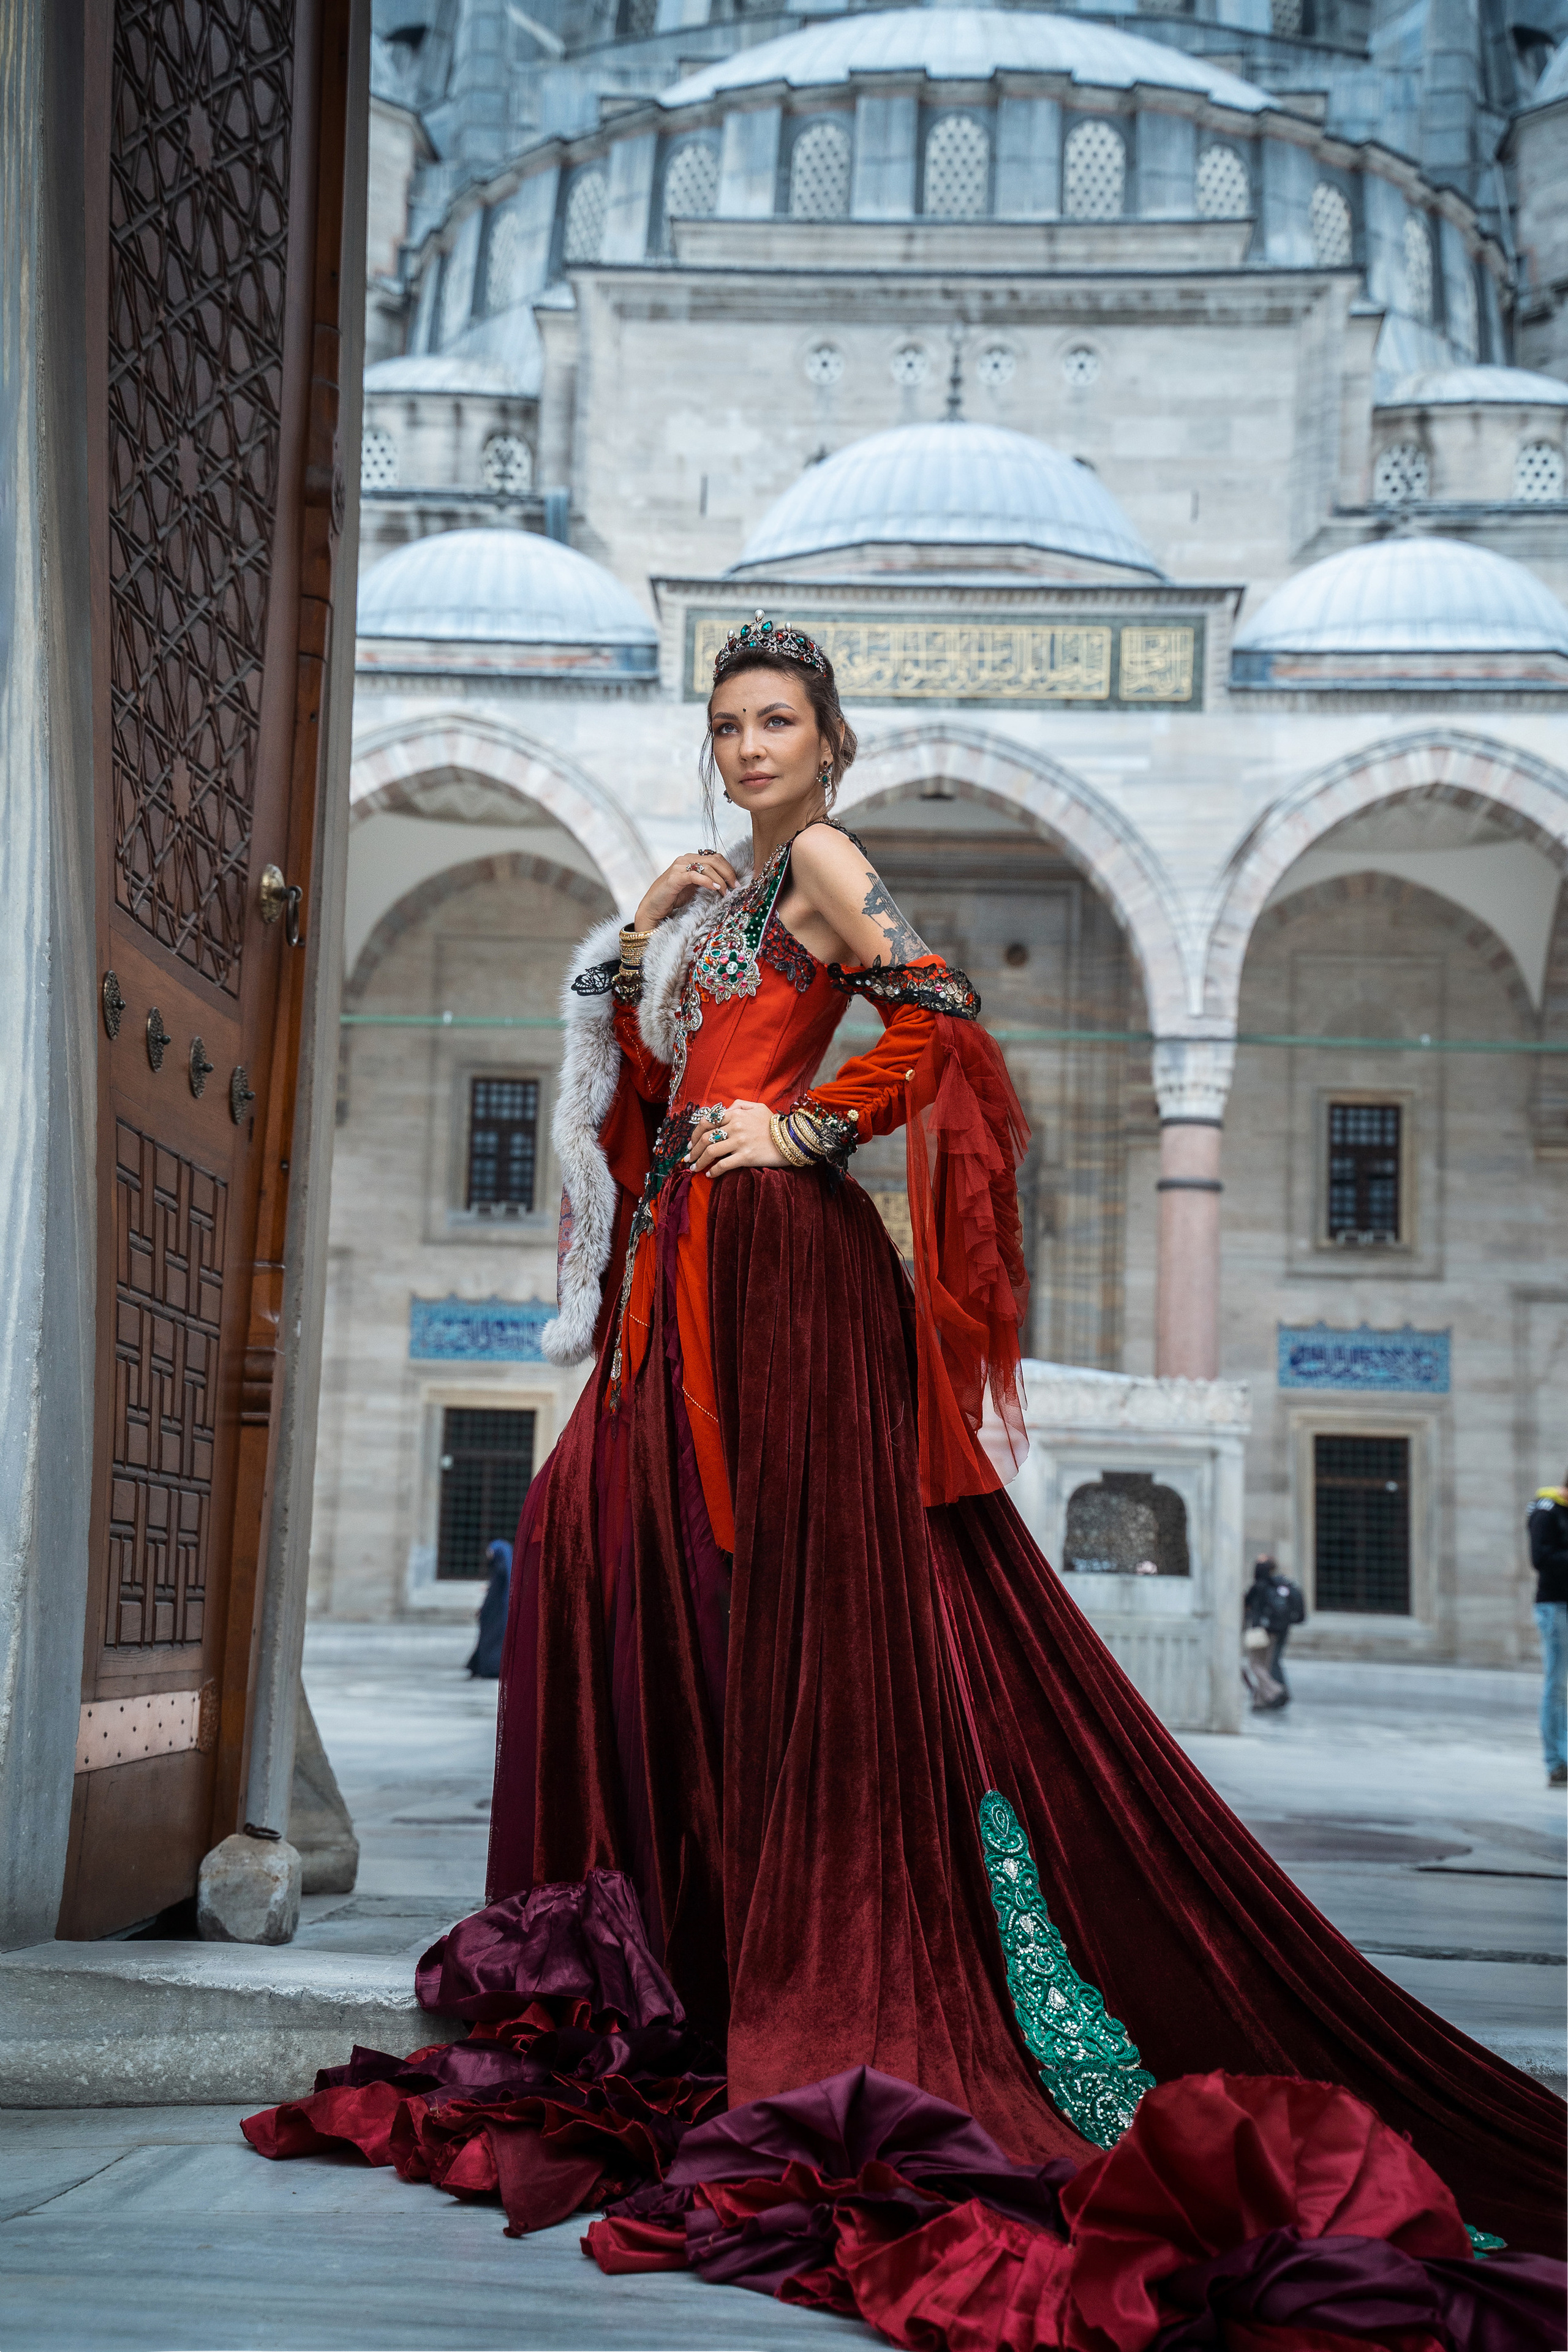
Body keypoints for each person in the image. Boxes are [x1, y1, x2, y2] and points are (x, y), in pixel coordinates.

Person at [243, 617, 1565, 2328]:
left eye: (774, 720)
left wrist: (810, 1128)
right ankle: (684, 1945)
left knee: (768, 1583)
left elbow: (935, 1017)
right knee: (591, 1547)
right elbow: (639, 1087)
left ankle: (796, 1943)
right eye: (725, 721)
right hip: (677, 1278)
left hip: (785, 1276)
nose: (743, 746)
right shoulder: (719, 893)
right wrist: (631, 937)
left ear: (827, 736)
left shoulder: (825, 863)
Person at [1527, 1474, 1568, 1787]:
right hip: (1556, 1608)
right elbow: (1540, 1558)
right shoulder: (1547, 1510)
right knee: (1558, 1685)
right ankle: (1557, 1762)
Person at [1242, 1553, 1306, 1710]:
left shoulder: (1259, 1587)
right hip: (1274, 1631)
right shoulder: (1279, 1584)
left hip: (1258, 1631)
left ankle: (1276, 1690)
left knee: (1255, 1665)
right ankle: (1261, 1700)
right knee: (1266, 1665)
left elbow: (1246, 1605)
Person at [466, 1537, 512, 1679]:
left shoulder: (501, 1569)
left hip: (496, 1616)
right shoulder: (501, 1568)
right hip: (494, 1615)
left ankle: (491, 1668)